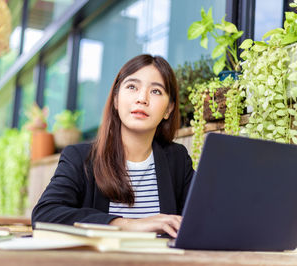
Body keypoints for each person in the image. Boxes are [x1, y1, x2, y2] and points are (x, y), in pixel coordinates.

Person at [32, 54, 194, 238]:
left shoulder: (177, 159)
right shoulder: (80, 158)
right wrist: (125, 224)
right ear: (116, 100)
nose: (142, 98)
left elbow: (205, 216)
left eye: (156, 91)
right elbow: (44, 216)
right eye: (132, 87)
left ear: (168, 109)